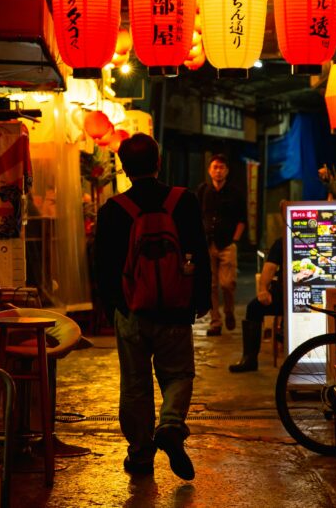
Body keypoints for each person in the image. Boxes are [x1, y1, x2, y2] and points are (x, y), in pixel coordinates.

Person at [94, 134, 212, 481]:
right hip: (175, 308)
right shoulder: (184, 201)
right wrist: (200, 299)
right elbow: (199, 252)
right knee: (177, 374)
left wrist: (114, 305)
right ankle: (172, 425)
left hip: (132, 310)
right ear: (159, 163)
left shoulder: (114, 209)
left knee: (135, 383)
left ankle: (141, 454)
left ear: (124, 168)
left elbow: (103, 266)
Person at [196, 154, 247, 336]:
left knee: (227, 283)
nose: (218, 171)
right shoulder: (203, 190)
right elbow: (198, 216)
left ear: (227, 171)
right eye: (215, 167)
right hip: (208, 243)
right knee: (211, 285)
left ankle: (229, 311)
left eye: (222, 167)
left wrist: (235, 240)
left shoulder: (235, 193)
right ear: (210, 170)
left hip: (227, 244)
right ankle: (215, 321)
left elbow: (242, 219)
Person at [229, 236, 285, 373]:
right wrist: (263, 290)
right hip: (284, 294)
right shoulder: (282, 241)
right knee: (254, 308)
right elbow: (270, 267)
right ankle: (250, 359)